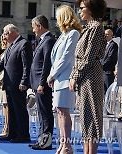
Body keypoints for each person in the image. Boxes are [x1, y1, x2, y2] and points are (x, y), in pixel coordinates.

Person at [0, 24, 32, 143]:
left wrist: (24, 81)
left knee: (20, 110)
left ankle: (23, 135)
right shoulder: (11, 46)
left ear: (12, 32)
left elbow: (26, 65)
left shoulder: (24, 44)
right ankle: (12, 133)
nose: (4, 36)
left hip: (18, 84)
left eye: (5, 33)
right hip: (9, 84)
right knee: (12, 110)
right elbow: (1, 64)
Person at [69, 0, 107, 154]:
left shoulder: (96, 28)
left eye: (82, 8)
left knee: (92, 115)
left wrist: (75, 76)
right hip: (84, 75)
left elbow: (89, 57)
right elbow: (79, 57)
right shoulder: (88, 28)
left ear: (91, 9)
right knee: (85, 116)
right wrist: (74, 75)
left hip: (91, 75)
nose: (79, 11)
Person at [47, 5, 82, 154]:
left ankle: (67, 145)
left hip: (66, 78)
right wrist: (53, 75)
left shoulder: (73, 34)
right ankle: (63, 143)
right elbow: (55, 58)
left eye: (58, 16)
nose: (56, 21)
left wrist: (52, 74)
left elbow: (66, 58)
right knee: (60, 111)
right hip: (58, 79)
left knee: (64, 111)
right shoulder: (63, 35)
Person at [29, 15, 55, 150]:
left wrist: (41, 83)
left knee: (45, 113)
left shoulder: (49, 40)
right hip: (37, 83)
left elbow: (46, 64)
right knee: (40, 113)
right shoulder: (42, 40)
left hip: (42, 84)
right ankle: (41, 140)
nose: (33, 30)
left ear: (40, 26)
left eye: (34, 27)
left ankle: (46, 142)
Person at [0, 35, 9, 137]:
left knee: (7, 105)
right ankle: (5, 125)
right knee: (4, 105)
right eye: (2, 40)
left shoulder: (9, 51)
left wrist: (1, 79)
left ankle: (7, 127)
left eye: (4, 39)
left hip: (5, 82)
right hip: (0, 82)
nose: (3, 42)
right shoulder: (3, 53)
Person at [101, 29, 118, 93]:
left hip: (108, 72)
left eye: (107, 34)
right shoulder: (104, 45)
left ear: (111, 35)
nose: (106, 36)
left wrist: (102, 66)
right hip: (102, 72)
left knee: (108, 90)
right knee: (103, 91)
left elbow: (110, 58)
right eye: (105, 34)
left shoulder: (113, 45)